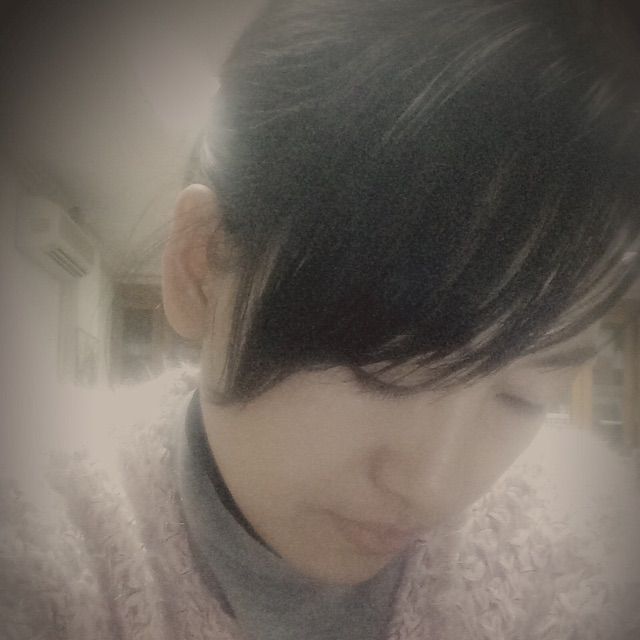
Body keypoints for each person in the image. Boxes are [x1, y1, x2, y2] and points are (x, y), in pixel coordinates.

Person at [2, 0, 640, 638]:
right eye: (379, 367)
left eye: (524, 397)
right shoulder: (41, 528)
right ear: (201, 268)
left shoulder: (587, 547)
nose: (432, 485)